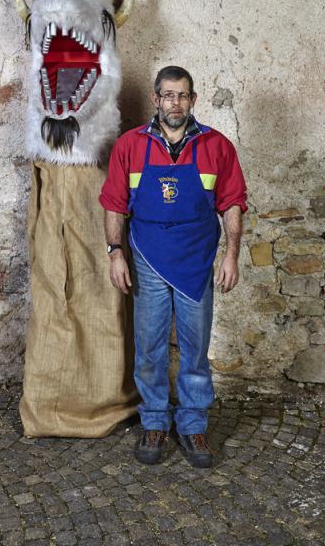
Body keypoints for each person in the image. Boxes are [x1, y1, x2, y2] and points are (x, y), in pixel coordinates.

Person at [99, 65, 247, 467]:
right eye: (168, 95)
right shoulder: (130, 146)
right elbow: (114, 203)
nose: (175, 103)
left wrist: (231, 255)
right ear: (156, 99)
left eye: (182, 95)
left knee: (195, 348)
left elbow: (232, 202)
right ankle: (154, 421)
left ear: (193, 100)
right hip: (147, 258)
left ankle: (194, 424)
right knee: (149, 346)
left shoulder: (217, 146)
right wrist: (115, 252)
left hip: (197, 261)